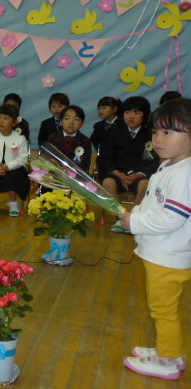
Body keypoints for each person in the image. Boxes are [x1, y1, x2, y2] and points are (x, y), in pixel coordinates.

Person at [119, 98, 191, 381]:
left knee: (163, 310)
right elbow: (156, 206)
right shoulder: (171, 165)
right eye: (156, 132)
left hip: (168, 255)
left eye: (169, 132)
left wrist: (134, 221)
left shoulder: (184, 174)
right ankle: (170, 350)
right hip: (162, 252)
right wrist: (136, 213)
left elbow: (172, 219)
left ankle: (168, 361)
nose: (158, 139)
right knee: (164, 308)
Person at [102, 96, 159, 232]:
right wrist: (117, 173)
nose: (131, 116)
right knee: (107, 183)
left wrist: (138, 174)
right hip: (119, 174)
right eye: (127, 112)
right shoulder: (116, 131)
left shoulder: (150, 134)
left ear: (144, 115)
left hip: (140, 175)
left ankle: (134, 219)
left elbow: (154, 160)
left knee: (146, 184)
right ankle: (121, 218)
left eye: (136, 112)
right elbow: (106, 157)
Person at [0, 103, 30, 217]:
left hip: (13, 167)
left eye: (6, 118)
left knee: (14, 175)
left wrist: (8, 167)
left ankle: (13, 203)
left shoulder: (20, 138)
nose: (1, 121)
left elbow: (22, 159)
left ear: (14, 123)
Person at [46, 105, 92, 173]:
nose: (71, 122)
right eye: (67, 119)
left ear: (82, 123)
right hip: (55, 175)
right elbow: (47, 158)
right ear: (61, 122)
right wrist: (57, 170)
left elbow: (85, 164)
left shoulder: (85, 141)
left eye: (76, 119)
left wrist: (70, 171)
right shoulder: (52, 138)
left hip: (75, 177)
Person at [90, 96, 124, 178]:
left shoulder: (122, 123)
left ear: (114, 109)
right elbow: (94, 139)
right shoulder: (98, 126)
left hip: (120, 159)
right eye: (99, 109)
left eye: (104, 108)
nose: (101, 111)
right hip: (104, 160)